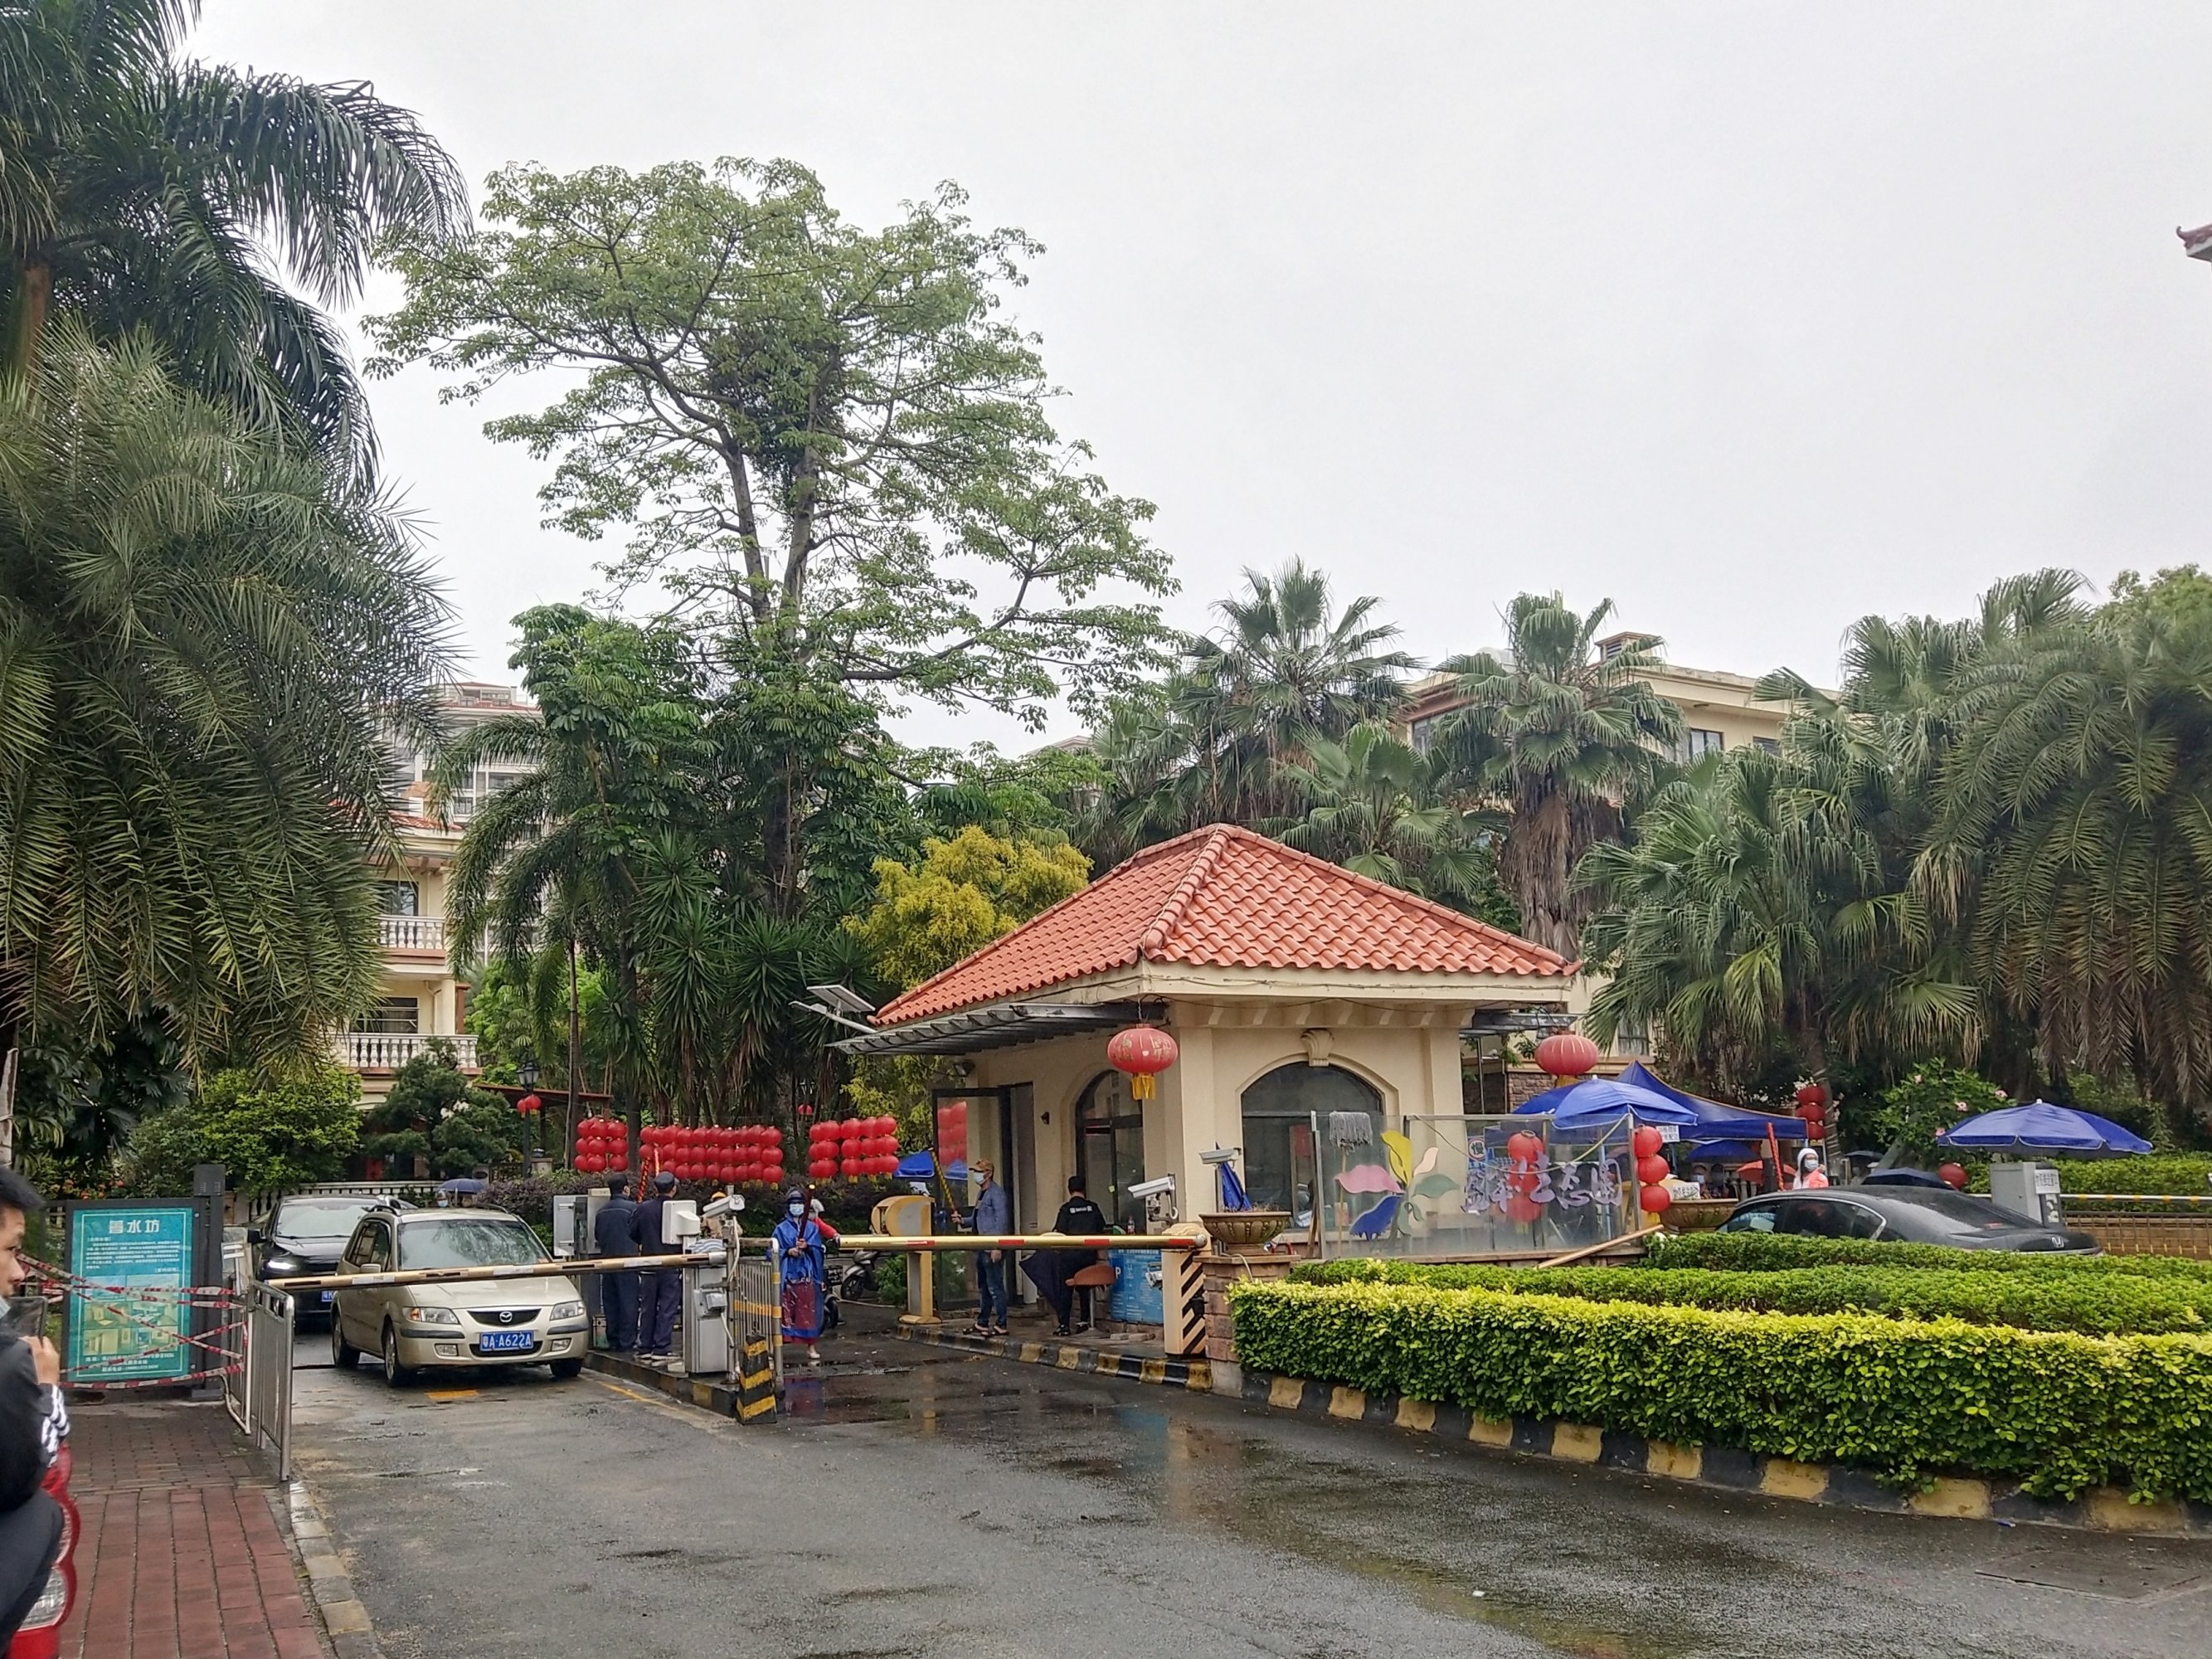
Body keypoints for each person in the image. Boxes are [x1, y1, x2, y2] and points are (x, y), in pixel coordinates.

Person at [0, 1169, 66, 1645]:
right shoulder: (9, 1361)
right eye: (9, 1250)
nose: (19, 1273)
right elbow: (28, 1472)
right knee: (42, 1513)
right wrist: (46, 1387)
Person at [772, 1189, 829, 1365]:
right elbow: (771, 1250)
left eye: (799, 1204)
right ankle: (777, 1348)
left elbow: (818, 1250)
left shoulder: (812, 1228)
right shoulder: (780, 1229)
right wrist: (787, 1251)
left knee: (808, 1312)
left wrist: (808, 1246)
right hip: (788, 1276)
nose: (796, 1206)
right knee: (784, 1312)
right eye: (793, 1204)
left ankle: (811, 1346)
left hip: (806, 1275)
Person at [630, 1172, 681, 1360]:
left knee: (647, 1307)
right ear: (673, 1189)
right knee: (667, 1307)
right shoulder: (678, 1209)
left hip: (648, 1263)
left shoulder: (643, 1209)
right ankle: (661, 1347)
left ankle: (645, 1346)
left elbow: (632, 1233)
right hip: (671, 1264)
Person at [1052, 1175, 1110, 1335]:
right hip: (1088, 1256)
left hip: (1069, 1256)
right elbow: (1101, 1228)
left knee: (1065, 1290)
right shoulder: (1093, 1207)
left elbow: (1058, 1232)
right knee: (1085, 1288)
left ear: (1069, 1190)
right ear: (1084, 1189)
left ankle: (1064, 1325)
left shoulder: (1066, 1209)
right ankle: (1084, 1321)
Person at [591, 1169, 639, 1353]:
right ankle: (627, 1341)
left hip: (607, 1262)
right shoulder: (633, 1209)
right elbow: (639, 1234)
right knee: (629, 1302)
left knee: (611, 1302)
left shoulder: (601, 1212)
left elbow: (598, 1236)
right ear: (626, 1189)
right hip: (628, 1262)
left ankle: (613, 1340)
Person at [966, 1160, 1012, 1337]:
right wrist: (963, 1221)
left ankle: (1001, 1323)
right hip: (981, 1246)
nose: (976, 1175)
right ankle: (983, 1322)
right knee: (984, 1287)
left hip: (991, 1246)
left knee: (995, 1287)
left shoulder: (996, 1194)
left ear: (989, 1173)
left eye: (979, 1171)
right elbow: (979, 1217)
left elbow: (1002, 1220)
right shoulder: (982, 1194)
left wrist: (997, 1246)